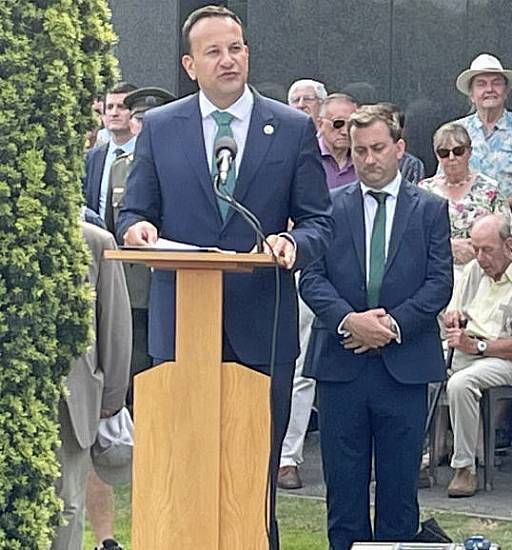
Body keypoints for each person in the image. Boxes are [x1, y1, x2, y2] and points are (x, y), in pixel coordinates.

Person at [116, 6, 333, 548]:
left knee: (251, 474)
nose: (228, 60)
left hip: (262, 323)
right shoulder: (162, 128)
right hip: (183, 326)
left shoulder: (289, 127)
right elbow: (134, 211)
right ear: (191, 65)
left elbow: (319, 222)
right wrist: (139, 228)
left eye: (235, 48)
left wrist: (291, 242)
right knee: (183, 464)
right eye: (213, 51)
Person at [299, 105, 452, 550]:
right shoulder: (329, 207)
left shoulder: (430, 210)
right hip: (341, 363)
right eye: (360, 150)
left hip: (403, 365)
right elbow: (312, 277)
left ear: (400, 149)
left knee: (399, 493)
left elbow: (439, 282)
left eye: (379, 148)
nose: (369, 159)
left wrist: (390, 326)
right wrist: (351, 321)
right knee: (344, 493)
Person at [82, 86, 175, 550]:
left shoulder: (159, 162)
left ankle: (143, 526)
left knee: (137, 409)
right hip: (99, 290)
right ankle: (105, 538)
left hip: (149, 294)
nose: (126, 118)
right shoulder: (97, 159)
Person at [441, 214, 512, 498]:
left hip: (502, 359)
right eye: (475, 249)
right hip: (464, 348)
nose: (479, 256)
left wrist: (478, 347)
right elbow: (452, 312)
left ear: (508, 244)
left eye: (486, 249)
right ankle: (419, 459)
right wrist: (453, 319)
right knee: (416, 367)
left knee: (461, 384)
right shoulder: (474, 270)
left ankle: (465, 468)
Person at [52, 221, 132, 550]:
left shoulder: (94, 242)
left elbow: (114, 323)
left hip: (71, 402)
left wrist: (111, 398)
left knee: (67, 504)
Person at [279, 79, 331, 491]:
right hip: (298, 268)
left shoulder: (359, 158)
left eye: (308, 102)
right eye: (294, 101)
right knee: (294, 366)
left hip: (346, 273)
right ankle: (285, 457)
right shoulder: (288, 148)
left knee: (312, 370)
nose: (301, 108)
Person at [451, 53, 512, 255]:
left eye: (496, 83)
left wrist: (493, 209)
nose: (489, 89)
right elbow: (442, 185)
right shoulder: (455, 132)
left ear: (506, 91)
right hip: (465, 245)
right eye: (481, 84)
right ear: (471, 94)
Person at [418, 122, 512, 272]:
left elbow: (507, 236)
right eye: (444, 152)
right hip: (435, 272)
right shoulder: (423, 191)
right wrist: (449, 247)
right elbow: (413, 237)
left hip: (481, 272)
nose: (451, 157)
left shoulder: (490, 190)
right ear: (437, 155)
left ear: (469, 151)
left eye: (458, 151)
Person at [83, 82, 137, 236]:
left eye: (121, 107)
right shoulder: (92, 158)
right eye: (109, 107)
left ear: (134, 113)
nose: (114, 113)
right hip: (99, 248)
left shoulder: (147, 155)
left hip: (136, 249)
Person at [378, 101, 426, 185]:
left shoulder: (412, 165)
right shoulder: (360, 160)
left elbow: (414, 195)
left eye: (391, 125)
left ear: (402, 131)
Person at [319, 92, 359, 188]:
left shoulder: (364, 160)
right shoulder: (305, 157)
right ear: (320, 124)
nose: (345, 131)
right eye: (338, 123)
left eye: (351, 124)